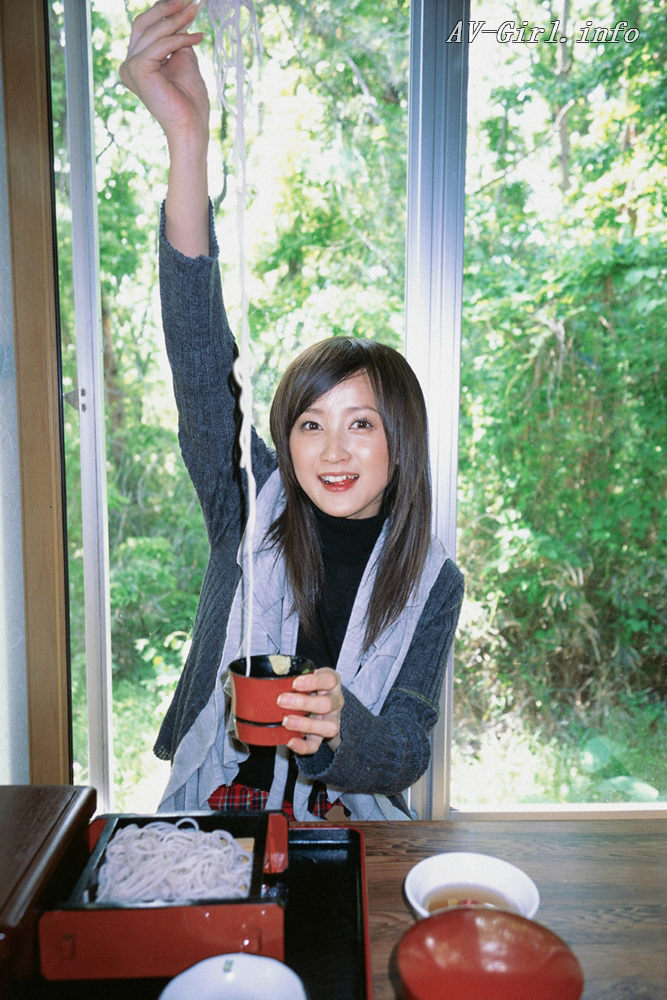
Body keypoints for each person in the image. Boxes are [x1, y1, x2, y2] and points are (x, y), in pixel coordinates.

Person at [120, 0, 464, 821]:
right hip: (216, 805)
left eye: (360, 423)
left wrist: (344, 725)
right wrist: (187, 141)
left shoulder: (434, 581)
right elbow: (200, 358)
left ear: (399, 441)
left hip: (346, 827)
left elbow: (408, 744)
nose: (332, 449)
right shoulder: (248, 504)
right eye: (310, 424)